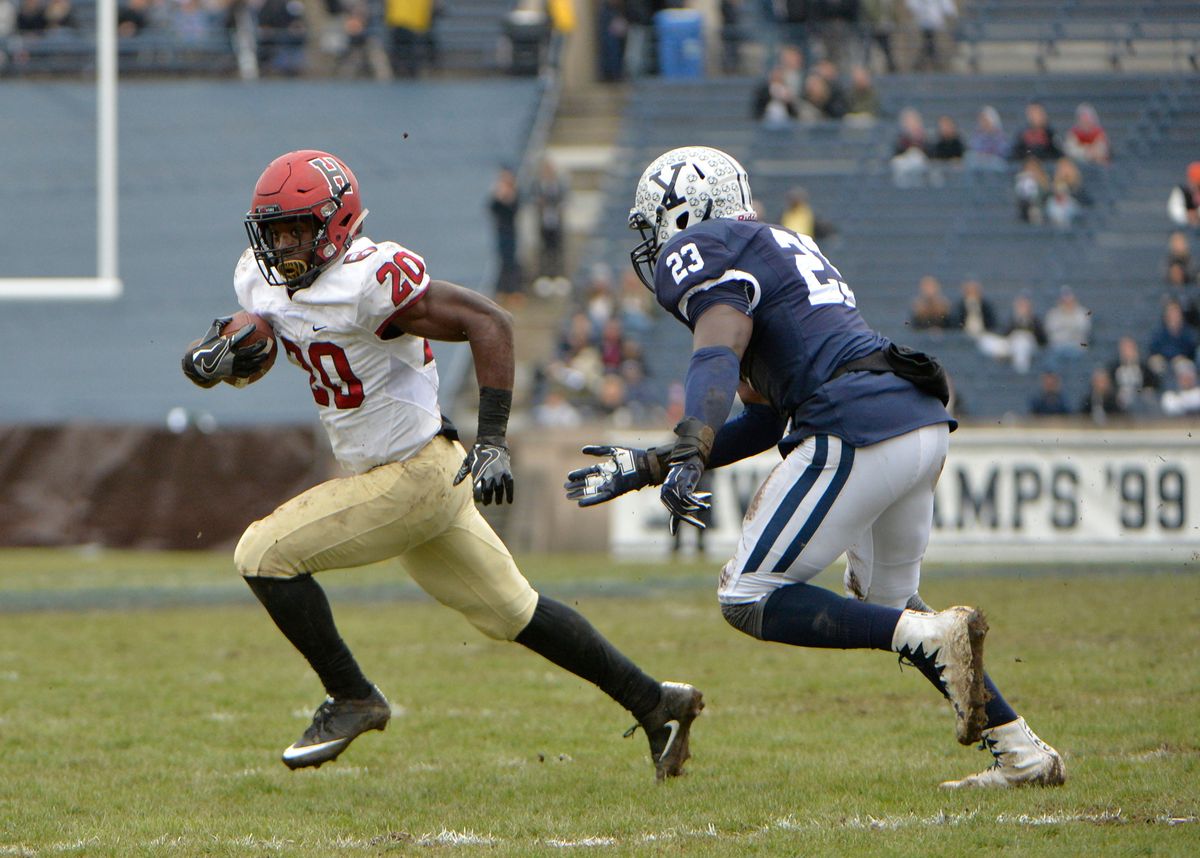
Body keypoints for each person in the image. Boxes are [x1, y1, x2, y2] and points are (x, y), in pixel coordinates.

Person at [179, 149, 703, 780]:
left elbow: (491, 323)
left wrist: (493, 440)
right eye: (275, 232)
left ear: (337, 223)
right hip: (410, 476)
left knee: (261, 554)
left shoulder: (368, 278)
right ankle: (656, 703)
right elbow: (265, 337)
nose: (284, 246)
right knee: (516, 613)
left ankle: (352, 696)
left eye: (298, 229)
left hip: (415, 474)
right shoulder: (259, 280)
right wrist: (218, 358)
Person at [564, 146, 1064, 788]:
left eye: (653, 224)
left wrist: (692, 438)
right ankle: (1023, 753)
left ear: (685, 210)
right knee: (892, 606)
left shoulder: (708, 251)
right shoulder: (776, 246)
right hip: (914, 417)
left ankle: (935, 642)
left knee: (746, 595)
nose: (651, 244)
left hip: (854, 424)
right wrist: (657, 461)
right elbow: (767, 419)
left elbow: (716, 346)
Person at [488, 165, 523, 308]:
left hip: (511, 233)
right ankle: (502, 291)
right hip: (501, 233)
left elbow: (514, 210)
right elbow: (492, 209)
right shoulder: (498, 196)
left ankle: (513, 291)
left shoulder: (515, 195)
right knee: (502, 261)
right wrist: (499, 196)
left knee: (511, 262)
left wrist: (507, 198)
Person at [965, 105, 1009, 172]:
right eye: (982, 120)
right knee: (970, 158)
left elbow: (1003, 151)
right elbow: (974, 147)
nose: (983, 123)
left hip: (994, 162)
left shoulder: (999, 135)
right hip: (980, 162)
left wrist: (988, 155)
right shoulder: (978, 134)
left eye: (985, 120)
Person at [1167, 161, 1200, 228]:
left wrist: (1197, 214)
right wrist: (1186, 216)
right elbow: (1175, 210)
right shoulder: (1181, 191)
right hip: (1185, 228)